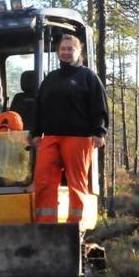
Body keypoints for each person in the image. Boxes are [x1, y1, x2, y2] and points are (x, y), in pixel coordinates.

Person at [31, 34, 109, 224]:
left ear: (78, 52)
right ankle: (46, 225)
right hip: (51, 137)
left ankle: (74, 227)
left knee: (77, 183)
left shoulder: (88, 77)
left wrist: (99, 132)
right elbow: (39, 107)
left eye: (70, 49)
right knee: (43, 182)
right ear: (59, 52)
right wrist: (35, 133)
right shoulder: (51, 79)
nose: (66, 53)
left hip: (78, 138)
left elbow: (99, 105)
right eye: (63, 49)